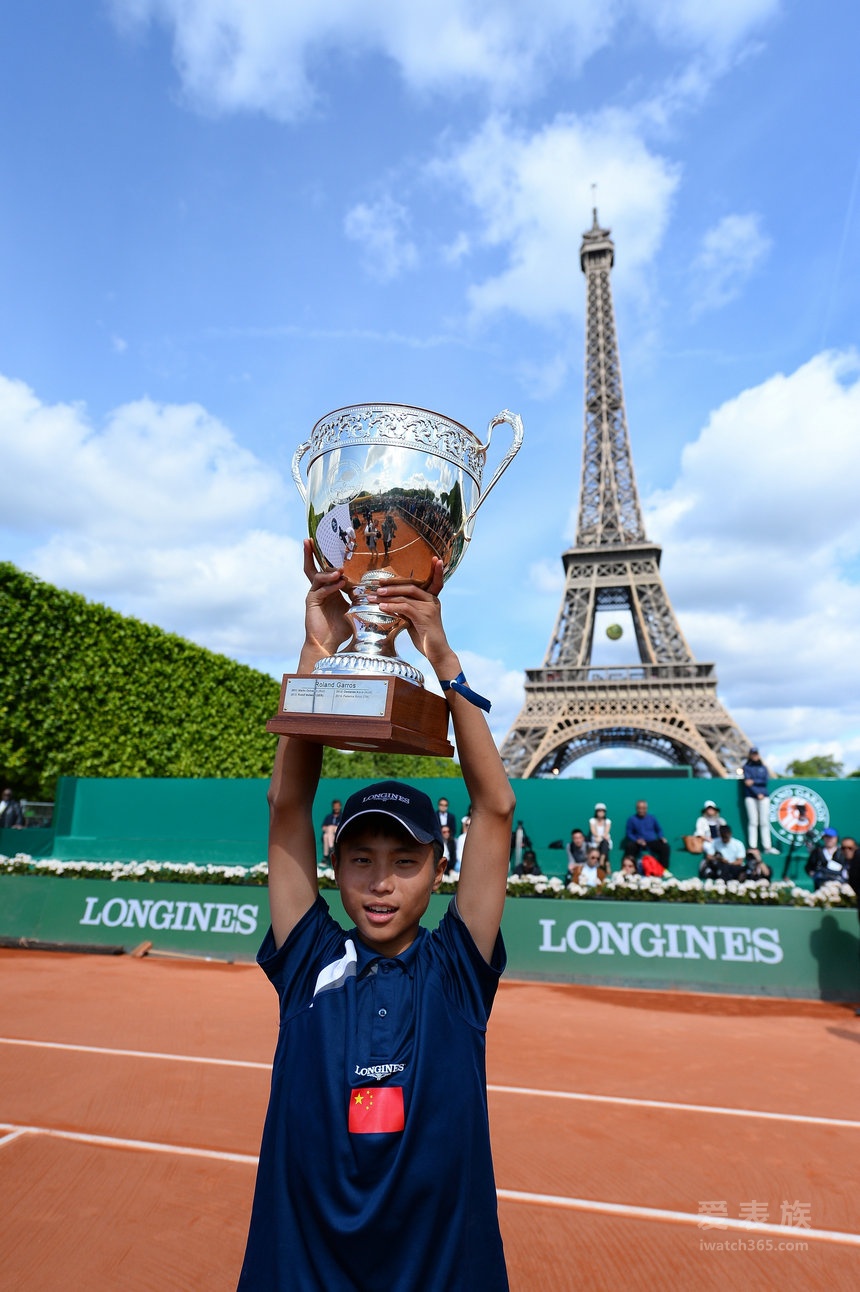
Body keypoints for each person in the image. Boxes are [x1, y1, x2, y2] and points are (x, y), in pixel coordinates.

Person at [237, 541, 515, 1290]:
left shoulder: (456, 971)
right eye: (361, 861)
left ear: (438, 873)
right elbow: (287, 804)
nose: (381, 884)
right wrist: (319, 647)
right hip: (304, 1272)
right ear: (334, 872)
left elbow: (496, 807)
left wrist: (443, 658)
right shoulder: (309, 963)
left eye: (405, 862)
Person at [742, 748, 778, 854]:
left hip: (763, 796)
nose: (755, 756)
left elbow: (764, 780)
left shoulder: (763, 767)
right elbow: (747, 783)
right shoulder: (746, 767)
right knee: (753, 821)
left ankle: (767, 847)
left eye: (756, 754)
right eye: (753, 754)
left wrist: (754, 782)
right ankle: (753, 846)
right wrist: (757, 792)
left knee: (764, 822)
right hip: (752, 796)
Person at [621, 800, 670, 871]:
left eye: (643, 808)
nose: (641, 810)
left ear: (646, 808)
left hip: (651, 842)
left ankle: (663, 870)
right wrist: (637, 840)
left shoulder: (652, 818)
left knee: (665, 847)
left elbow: (659, 830)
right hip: (638, 843)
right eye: (639, 808)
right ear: (636, 809)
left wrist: (661, 837)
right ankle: (628, 869)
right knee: (630, 847)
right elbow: (629, 833)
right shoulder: (631, 819)